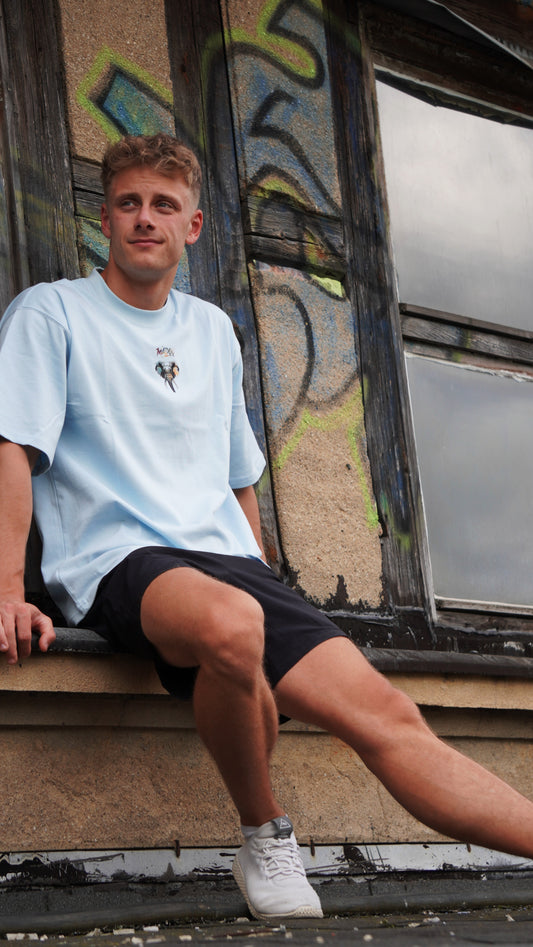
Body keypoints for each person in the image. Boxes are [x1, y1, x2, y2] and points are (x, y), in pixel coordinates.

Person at [0, 134, 533, 923]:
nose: (145, 218)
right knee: (232, 624)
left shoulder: (212, 329)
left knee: (388, 715)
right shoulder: (53, 311)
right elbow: (13, 448)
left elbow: (236, 475)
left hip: (229, 563)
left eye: (163, 205)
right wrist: (8, 588)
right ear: (104, 219)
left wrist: (260, 573)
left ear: (192, 226)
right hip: (119, 556)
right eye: (128, 203)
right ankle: (264, 832)